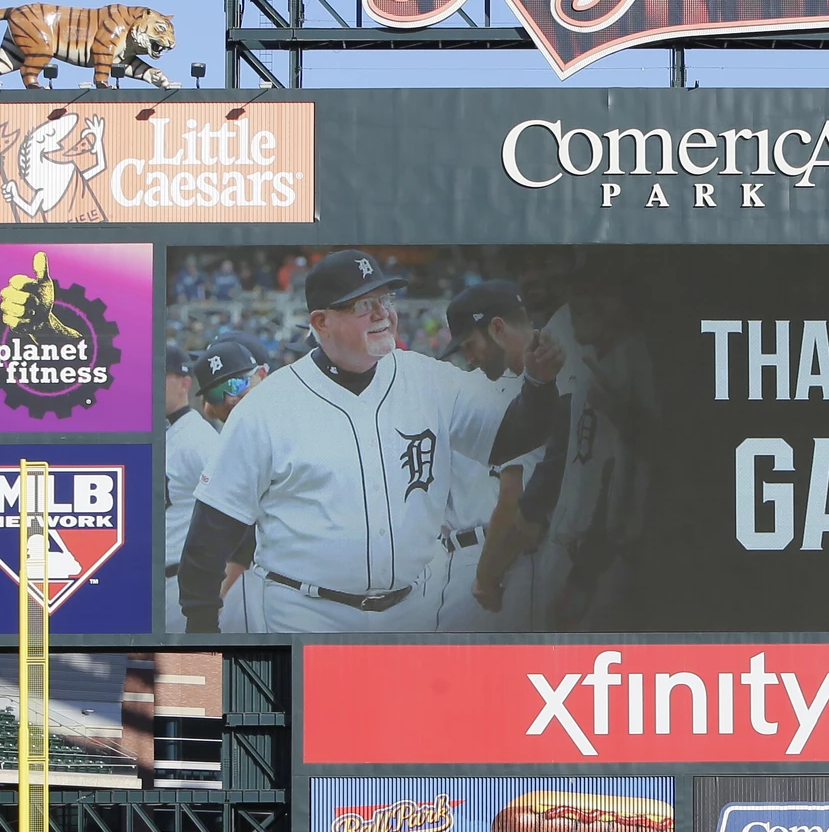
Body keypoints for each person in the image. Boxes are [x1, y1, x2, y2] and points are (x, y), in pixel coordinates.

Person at [176, 249, 564, 636]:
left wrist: (538, 382)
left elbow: (514, 435)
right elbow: (212, 532)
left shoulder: (429, 379)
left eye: (385, 299)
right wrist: (201, 623)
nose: (383, 313)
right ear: (321, 322)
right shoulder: (268, 406)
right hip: (306, 614)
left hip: (416, 610)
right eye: (363, 304)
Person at [434, 281, 535, 631]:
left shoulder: (526, 394)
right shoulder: (480, 390)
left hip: (493, 558)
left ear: (497, 328)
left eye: (471, 345)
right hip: (461, 557)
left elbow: (514, 497)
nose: (470, 358)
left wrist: (484, 576)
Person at [165, 335, 268, 627]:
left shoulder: (200, 439)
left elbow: (243, 531)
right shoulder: (228, 437)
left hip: (257, 581)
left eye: (235, 384)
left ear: (262, 374)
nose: (229, 398)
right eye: (215, 393)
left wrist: (221, 592)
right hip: (220, 582)